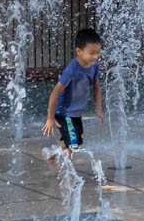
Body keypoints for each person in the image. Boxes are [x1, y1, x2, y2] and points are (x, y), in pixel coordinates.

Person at [42, 28, 105, 156]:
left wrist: (99, 109)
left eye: (98, 52)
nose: (96, 56)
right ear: (79, 51)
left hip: (76, 113)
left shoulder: (93, 66)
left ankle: (51, 154)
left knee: (73, 141)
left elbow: (96, 87)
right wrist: (50, 117)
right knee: (73, 144)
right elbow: (55, 92)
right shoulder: (72, 70)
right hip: (64, 113)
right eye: (92, 53)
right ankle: (67, 174)